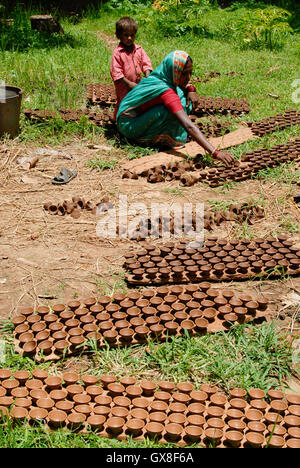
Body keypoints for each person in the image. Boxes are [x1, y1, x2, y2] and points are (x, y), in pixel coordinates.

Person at [116, 50, 234, 166]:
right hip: (128, 125)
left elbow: (181, 87)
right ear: (175, 71)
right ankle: (146, 138)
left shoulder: (160, 76)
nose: (188, 77)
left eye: (190, 72)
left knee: (181, 97)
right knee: (171, 111)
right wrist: (215, 152)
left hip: (128, 115)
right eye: (183, 73)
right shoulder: (166, 91)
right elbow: (188, 126)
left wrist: (191, 88)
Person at [110, 17, 153, 120]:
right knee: (123, 102)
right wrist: (129, 84)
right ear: (118, 35)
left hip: (138, 83)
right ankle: (119, 120)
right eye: (126, 35)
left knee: (138, 101)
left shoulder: (139, 49)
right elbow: (116, 72)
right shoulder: (118, 53)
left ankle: (136, 119)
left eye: (132, 35)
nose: (129, 38)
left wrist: (147, 75)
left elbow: (145, 62)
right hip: (124, 86)